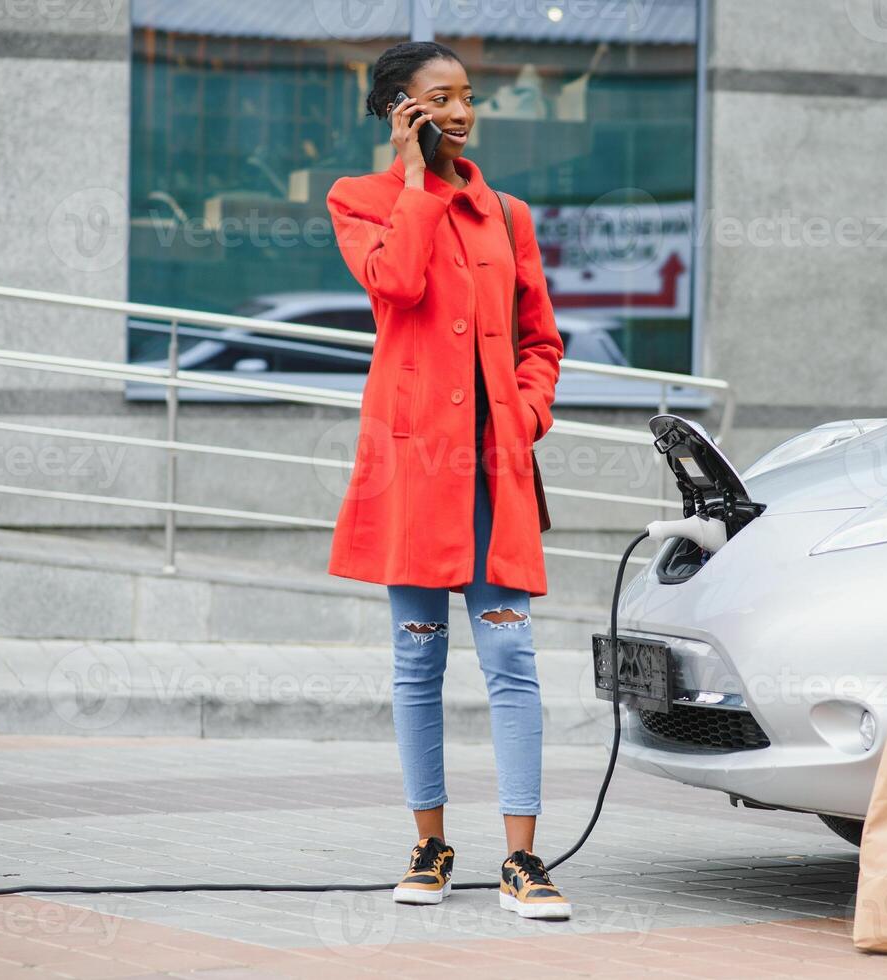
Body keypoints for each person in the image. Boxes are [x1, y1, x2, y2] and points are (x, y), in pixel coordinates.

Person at [324, 40, 568, 919]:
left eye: (468, 96)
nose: (461, 112)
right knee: (417, 663)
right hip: (415, 477)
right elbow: (393, 280)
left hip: (491, 475)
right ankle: (430, 845)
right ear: (402, 110)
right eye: (440, 98)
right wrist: (418, 182)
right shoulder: (362, 200)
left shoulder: (508, 213)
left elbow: (541, 339)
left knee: (511, 657)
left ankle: (523, 860)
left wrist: (527, 412)